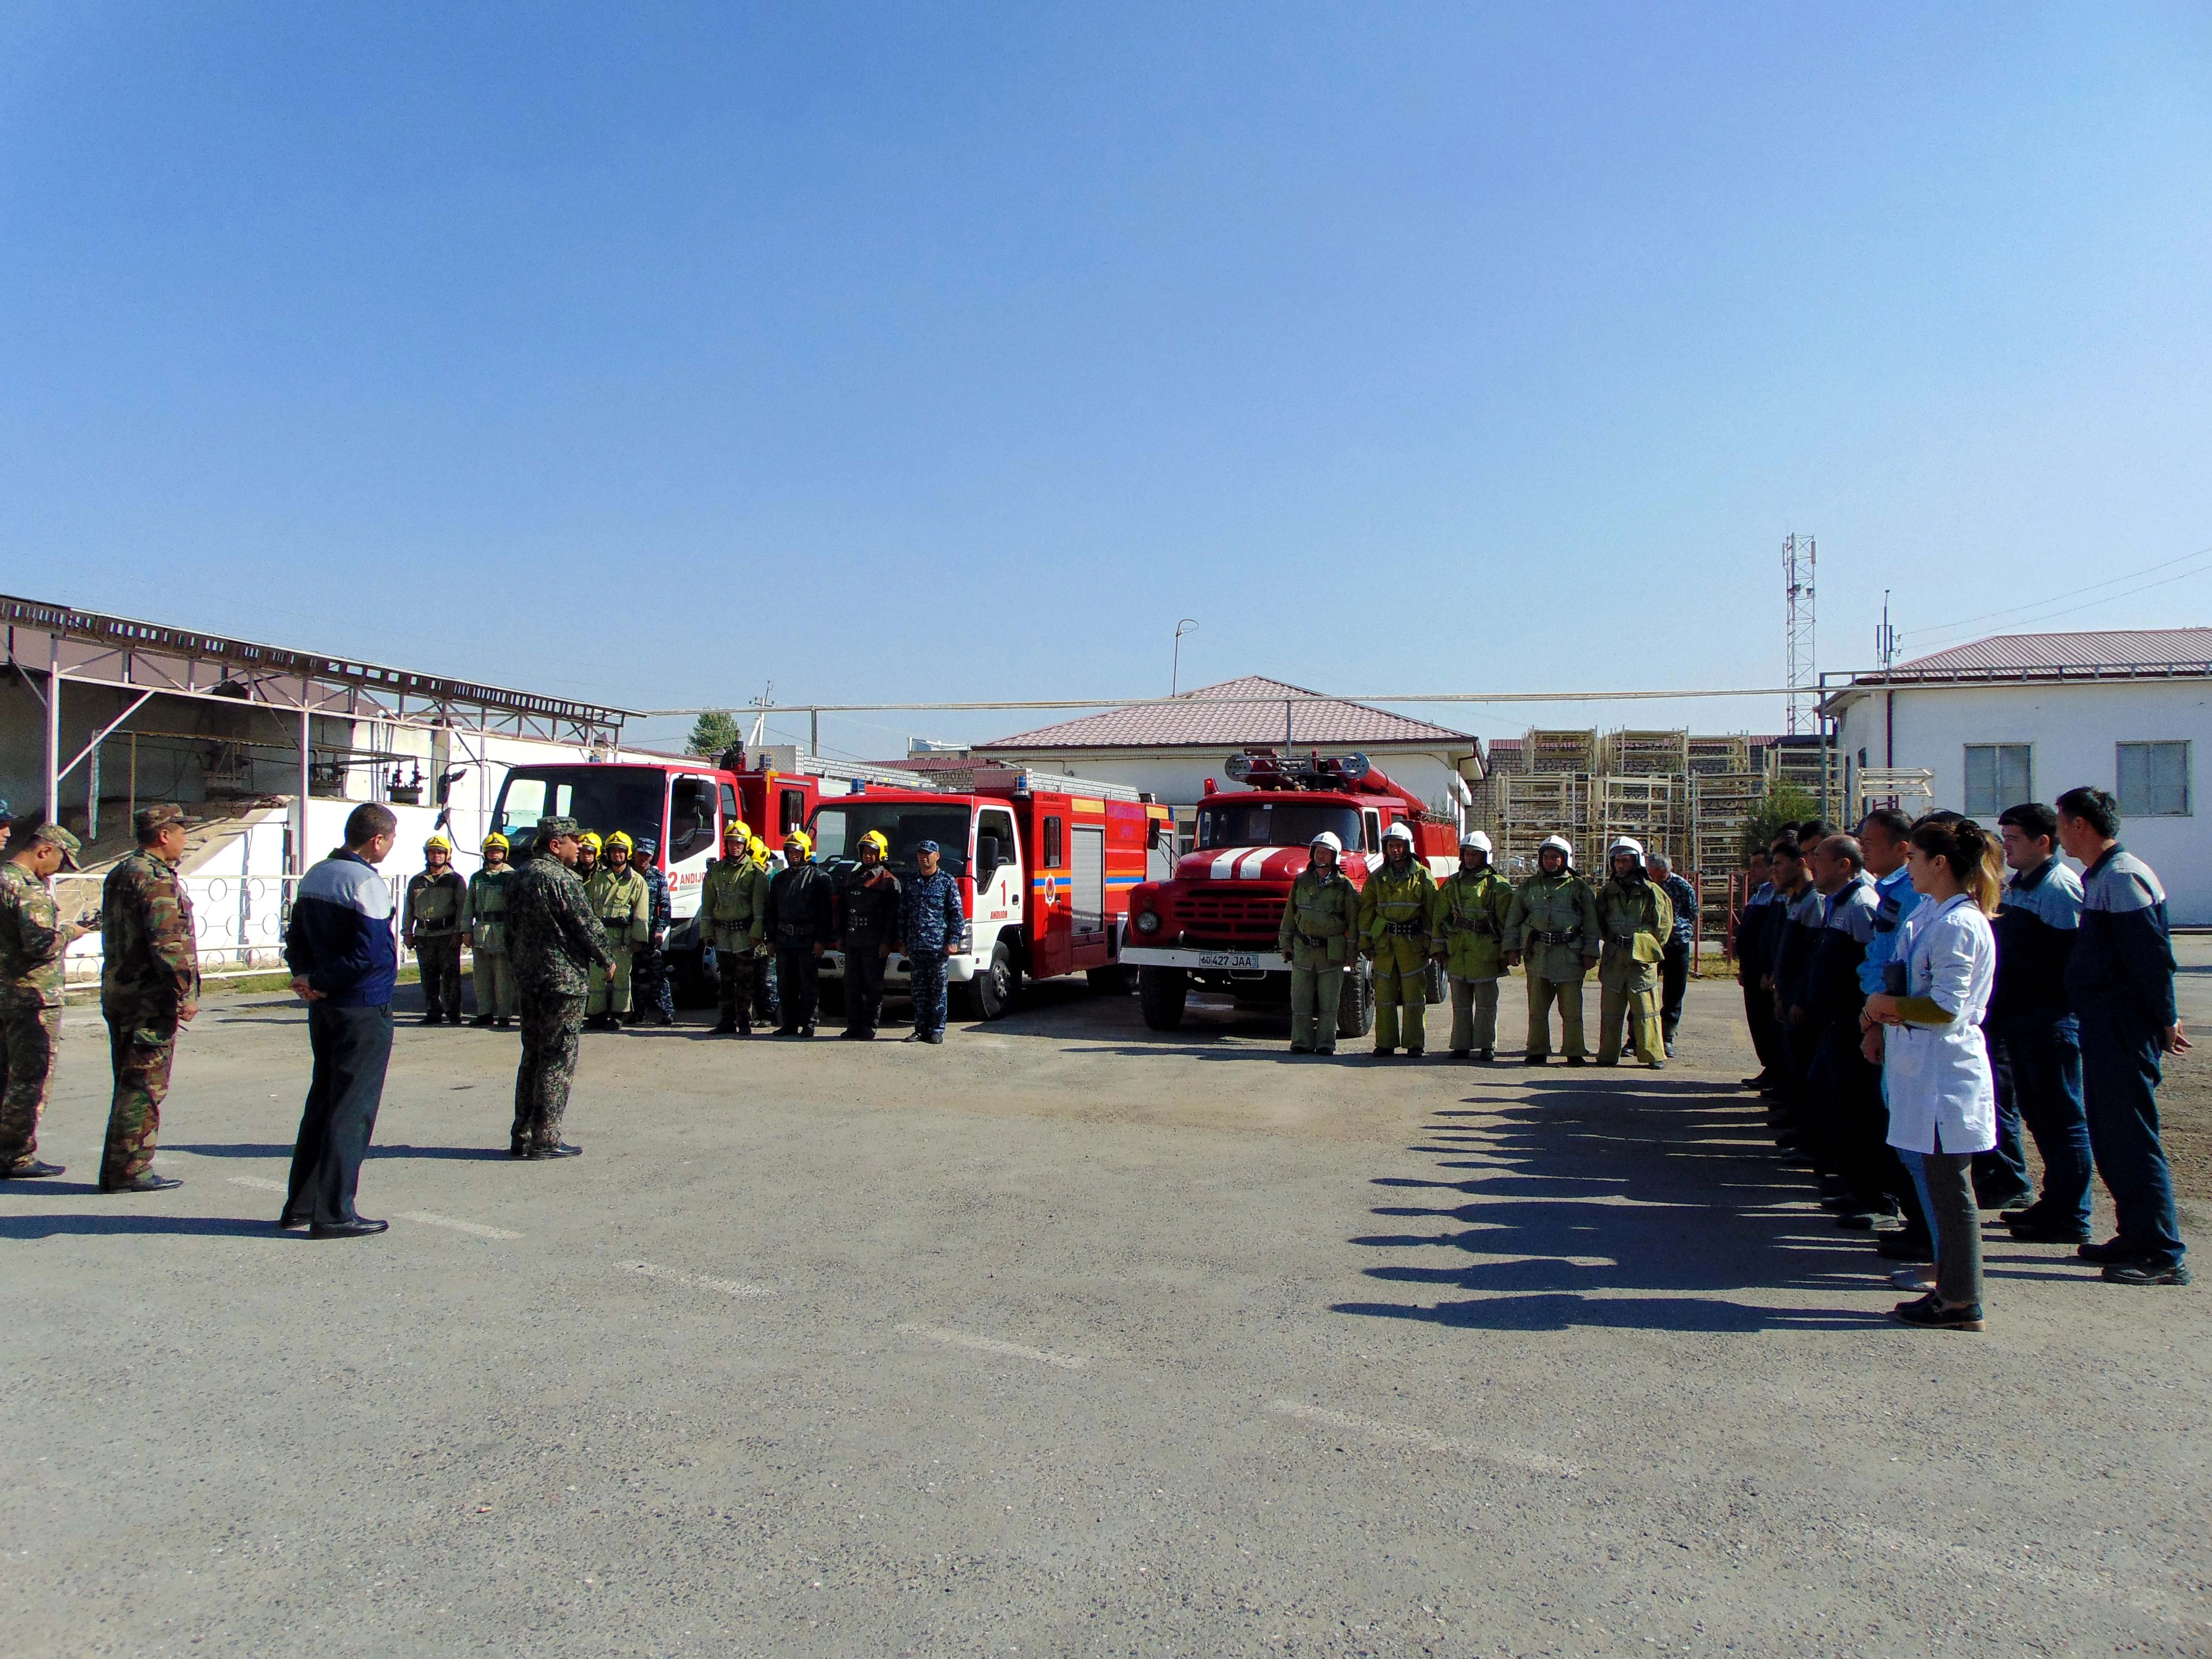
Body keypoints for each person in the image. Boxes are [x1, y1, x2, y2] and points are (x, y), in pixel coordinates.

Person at [1863, 817, 2002, 1331]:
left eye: (1916, 858)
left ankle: (1962, 1300)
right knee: (1942, 1191)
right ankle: (1952, 1291)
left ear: (1939, 863)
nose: (1910, 866)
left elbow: (1945, 1008)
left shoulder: (1960, 924)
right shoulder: (1929, 912)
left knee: (1951, 1192)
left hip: (1945, 1076)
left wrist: (1887, 1006)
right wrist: (1877, 1014)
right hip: (1919, 1069)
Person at [2056, 786, 2191, 1286]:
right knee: (2111, 1135)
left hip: (2122, 1027)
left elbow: (2150, 957)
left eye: (2061, 821)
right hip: (2104, 1023)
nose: (2056, 831)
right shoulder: (2104, 877)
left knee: (2132, 1137)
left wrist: (2165, 1017)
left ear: (2081, 826)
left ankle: (2161, 1251)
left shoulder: (2123, 876)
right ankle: (2134, 1234)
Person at [280, 803, 401, 1239]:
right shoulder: (365, 882)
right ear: (377, 840)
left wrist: (307, 980)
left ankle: (302, 1203)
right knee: (353, 1109)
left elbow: (295, 938)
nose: (390, 847)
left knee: (323, 1102)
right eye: (390, 840)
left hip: (325, 1006)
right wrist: (326, 981)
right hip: (361, 1006)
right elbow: (368, 955)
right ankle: (334, 1211)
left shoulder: (316, 874)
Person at [1989, 802, 2091, 1246]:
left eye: (2012, 840)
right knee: (2038, 1117)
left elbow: (2074, 960)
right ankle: (2052, 1204)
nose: (2005, 848)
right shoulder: (2018, 886)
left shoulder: (2059, 888)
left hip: (2050, 1021)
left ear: (2042, 843)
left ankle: (2071, 1212)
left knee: (2062, 1118)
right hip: (2020, 1020)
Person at [97, 803, 201, 1193]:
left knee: (128, 1081)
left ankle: (120, 1168)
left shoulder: (121, 872)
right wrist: (184, 994)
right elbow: (168, 946)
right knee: (143, 1087)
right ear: (164, 835)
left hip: (120, 991)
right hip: (148, 999)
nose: (183, 840)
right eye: (181, 832)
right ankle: (130, 1171)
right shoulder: (154, 878)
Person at [504, 816, 614, 1158]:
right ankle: (546, 1140)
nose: (579, 846)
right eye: (573, 840)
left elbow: (510, 931)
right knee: (557, 1058)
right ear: (555, 845)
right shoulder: (560, 878)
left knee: (533, 1055)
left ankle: (521, 1135)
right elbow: (584, 924)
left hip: (529, 979)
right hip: (562, 982)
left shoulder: (519, 876)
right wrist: (606, 958)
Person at [1804, 836, 1887, 1229]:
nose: (1812, 864)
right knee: (1831, 1097)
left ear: (1844, 866)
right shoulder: (1836, 903)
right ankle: (1855, 1182)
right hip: (1834, 1024)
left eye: (1818, 858)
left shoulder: (1863, 904)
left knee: (1861, 1109)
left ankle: (1877, 1196)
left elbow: (1876, 966)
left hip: (1855, 1026)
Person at [0, 823, 88, 1179]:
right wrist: (69, 932)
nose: (60, 870)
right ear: (44, 851)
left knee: (4, 1075)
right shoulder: (28, 889)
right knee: (29, 1077)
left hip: (5, 992)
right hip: (32, 996)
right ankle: (16, 1155)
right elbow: (39, 944)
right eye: (61, 862)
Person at [1504, 834, 1599, 1066]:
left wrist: (1591, 952)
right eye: (1546, 857)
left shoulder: (1578, 888)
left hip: (1569, 955)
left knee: (1572, 1009)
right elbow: (1514, 920)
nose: (1550, 861)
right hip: (1538, 955)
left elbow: (1591, 923)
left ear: (1565, 860)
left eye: (1556, 857)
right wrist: (1511, 949)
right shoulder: (1529, 887)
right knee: (1537, 1008)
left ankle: (1575, 1051)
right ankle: (1537, 1050)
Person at [1359, 821, 1439, 1057]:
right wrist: (1365, 942)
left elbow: (1433, 913)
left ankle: (1415, 1044)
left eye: (1399, 846)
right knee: (1383, 996)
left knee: (1415, 996)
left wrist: (1431, 943)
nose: (1395, 850)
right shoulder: (1377, 878)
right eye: (1391, 846)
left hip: (1414, 945)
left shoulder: (1423, 877)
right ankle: (1385, 1043)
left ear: (1408, 847)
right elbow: (1367, 911)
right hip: (1385, 946)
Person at [1431, 830, 1512, 1060]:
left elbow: (1508, 923)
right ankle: (1461, 1045)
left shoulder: (1499, 886)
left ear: (1486, 856)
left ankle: (1487, 1046)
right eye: (1466, 853)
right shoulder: (1452, 884)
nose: (1469, 858)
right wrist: (1438, 947)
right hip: (1457, 952)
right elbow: (1439, 917)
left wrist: (1508, 952)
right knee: (1461, 1005)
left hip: (1486, 952)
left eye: (1475, 854)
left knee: (1487, 1005)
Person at [1277, 830, 1360, 1055]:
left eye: (1326, 853)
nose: (1321, 856)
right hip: (1303, 949)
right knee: (1301, 1002)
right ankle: (1301, 1041)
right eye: (1318, 852)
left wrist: (1353, 953)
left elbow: (1353, 924)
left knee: (1329, 1003)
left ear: (1335, 857)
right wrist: (1285, 943)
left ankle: (1326, 1043)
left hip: (1331, 952)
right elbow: (1290, 915)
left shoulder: (1345, 887)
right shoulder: (1301, 882)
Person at [1591, 838, 1670, 1068]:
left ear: (1637, 862)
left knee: (1647, 1010)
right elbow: (1600, 922)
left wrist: (1646, 946)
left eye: (1626, 861)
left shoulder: (1653, 892)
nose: (1621, 866)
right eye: (1617, 861)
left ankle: (1653, 1054)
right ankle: (1607, 1054)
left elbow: (1663, 927)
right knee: (1611, 1011)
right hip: (1615, 957)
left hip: (1641, 961)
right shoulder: (1607, 893)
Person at [700, 821, 769, 1035]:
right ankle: (726, 1021)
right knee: (726, 981)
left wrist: (758, 933)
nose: (734, 847)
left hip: (744, 935)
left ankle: (745, 1021)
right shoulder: (716, 871)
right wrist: (706, 931)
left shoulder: (755, 872)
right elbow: (708, 903)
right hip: (722, 933)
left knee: (745, 980)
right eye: (731, 843)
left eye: (739, 843)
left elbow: (760, 907)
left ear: (746, 844)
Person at [764, 830, 834, 1036]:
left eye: (797, 850)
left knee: (808, 984)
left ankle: (809, 1023)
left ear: (806, 852)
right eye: (790, 850)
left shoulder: (820, 878)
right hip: (785, 939)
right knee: (786, 984)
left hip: (808, 939)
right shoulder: (779, 879)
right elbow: (772, 912)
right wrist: (771, 939)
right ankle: (789, 1023)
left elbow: (826, 913)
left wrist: (821, 940)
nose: (793, 854)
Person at [836, 830, 902, 1039]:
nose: (868, 856)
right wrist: (840, 937)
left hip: (875, 943)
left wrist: (887, 943)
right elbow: (842, 911)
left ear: (881, 854)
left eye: (872, 852)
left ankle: (869, 1027)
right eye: (865, 852)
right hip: (853, 940)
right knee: (851, 985)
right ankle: (853, 1026)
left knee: (874, 987)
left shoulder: (889, 882)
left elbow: (893, 917)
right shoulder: (852, 879)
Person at [898, 839, 965, 1044]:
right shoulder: (911, 883)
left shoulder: (947, 882)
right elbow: (903, 914)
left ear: (937, 856)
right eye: (920, 854)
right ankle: (920, 1029)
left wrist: (953, 940)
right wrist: (902, 941)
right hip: (917, 947)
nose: (923, 858)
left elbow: (957, 914)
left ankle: (937, 1030)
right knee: (919, 992)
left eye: (928, 854)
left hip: (938, 948)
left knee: (938, 991)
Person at [583, 830, 650, 1033]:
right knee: (596, 977)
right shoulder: (597, 879)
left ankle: (619, 1014)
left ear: (627, 853)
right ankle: (596, 1014)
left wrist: (639, 938)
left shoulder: (637, 881)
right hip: (600, 936)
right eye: (613, 851)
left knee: (622, 977)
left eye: (621, 851)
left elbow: (641, 913)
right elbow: (587, 906)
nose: (617, 855)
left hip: (623, 938)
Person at [402, 835, 468, 1027]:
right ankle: (433, 1012)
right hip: (424, 935)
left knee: (451, 977)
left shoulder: (455, 880)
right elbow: (409, 908)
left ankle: (454, 1013)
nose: (436, 856)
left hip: (447, 934)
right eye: (432, 852)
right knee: (428, 976)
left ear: (447, 855)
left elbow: (462, 908)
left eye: (440, 853)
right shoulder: (417, 881)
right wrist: (408, 932)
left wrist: (460, 932)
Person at [1733, 850, 1781, 1089]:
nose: (1752, 871)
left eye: (1757, 866)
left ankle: (1775, 1070)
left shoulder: (1776, 895)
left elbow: (1771, 936)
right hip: (1752, 970)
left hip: (1763, 973)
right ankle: (1769, 1068)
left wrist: (1767, 970)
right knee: (1757, 1021)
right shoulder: (1760, 893)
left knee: (1767, 1021)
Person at [1646, 852, 1698, 1057]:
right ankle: (1636, 1038)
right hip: (1652, 944)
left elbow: (1693, 912)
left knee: (1674, 993)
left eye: (1661, 875)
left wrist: (1676, 928)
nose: (1657, 879)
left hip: (1677, 944)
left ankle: (1667, 1037)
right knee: (1644, 991)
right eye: (1653, 875)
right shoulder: (1645, 885)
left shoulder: (1681, 886)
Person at [465, 832, 518, 1028]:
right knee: (481, 976)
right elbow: (468, 906)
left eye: (498, 851)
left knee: (503, 975)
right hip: (481, 931)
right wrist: (466, 931)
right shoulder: (477, 878)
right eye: (491, 851)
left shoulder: (512, 877)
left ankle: (504, 1015)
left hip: (503, 931)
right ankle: (484, 1013)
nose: (494, 855)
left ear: (505, 854)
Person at [627, 836, 675, 1027]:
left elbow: (665, 907)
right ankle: (636, 1012)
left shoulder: (658, 877)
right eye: (641, 854)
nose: (644, 859)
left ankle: (667, 1012)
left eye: (648, 855)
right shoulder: (627, 875)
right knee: (633, 977)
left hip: (650, 934)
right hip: (631, 934)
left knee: (658, 976)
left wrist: (660, 930)